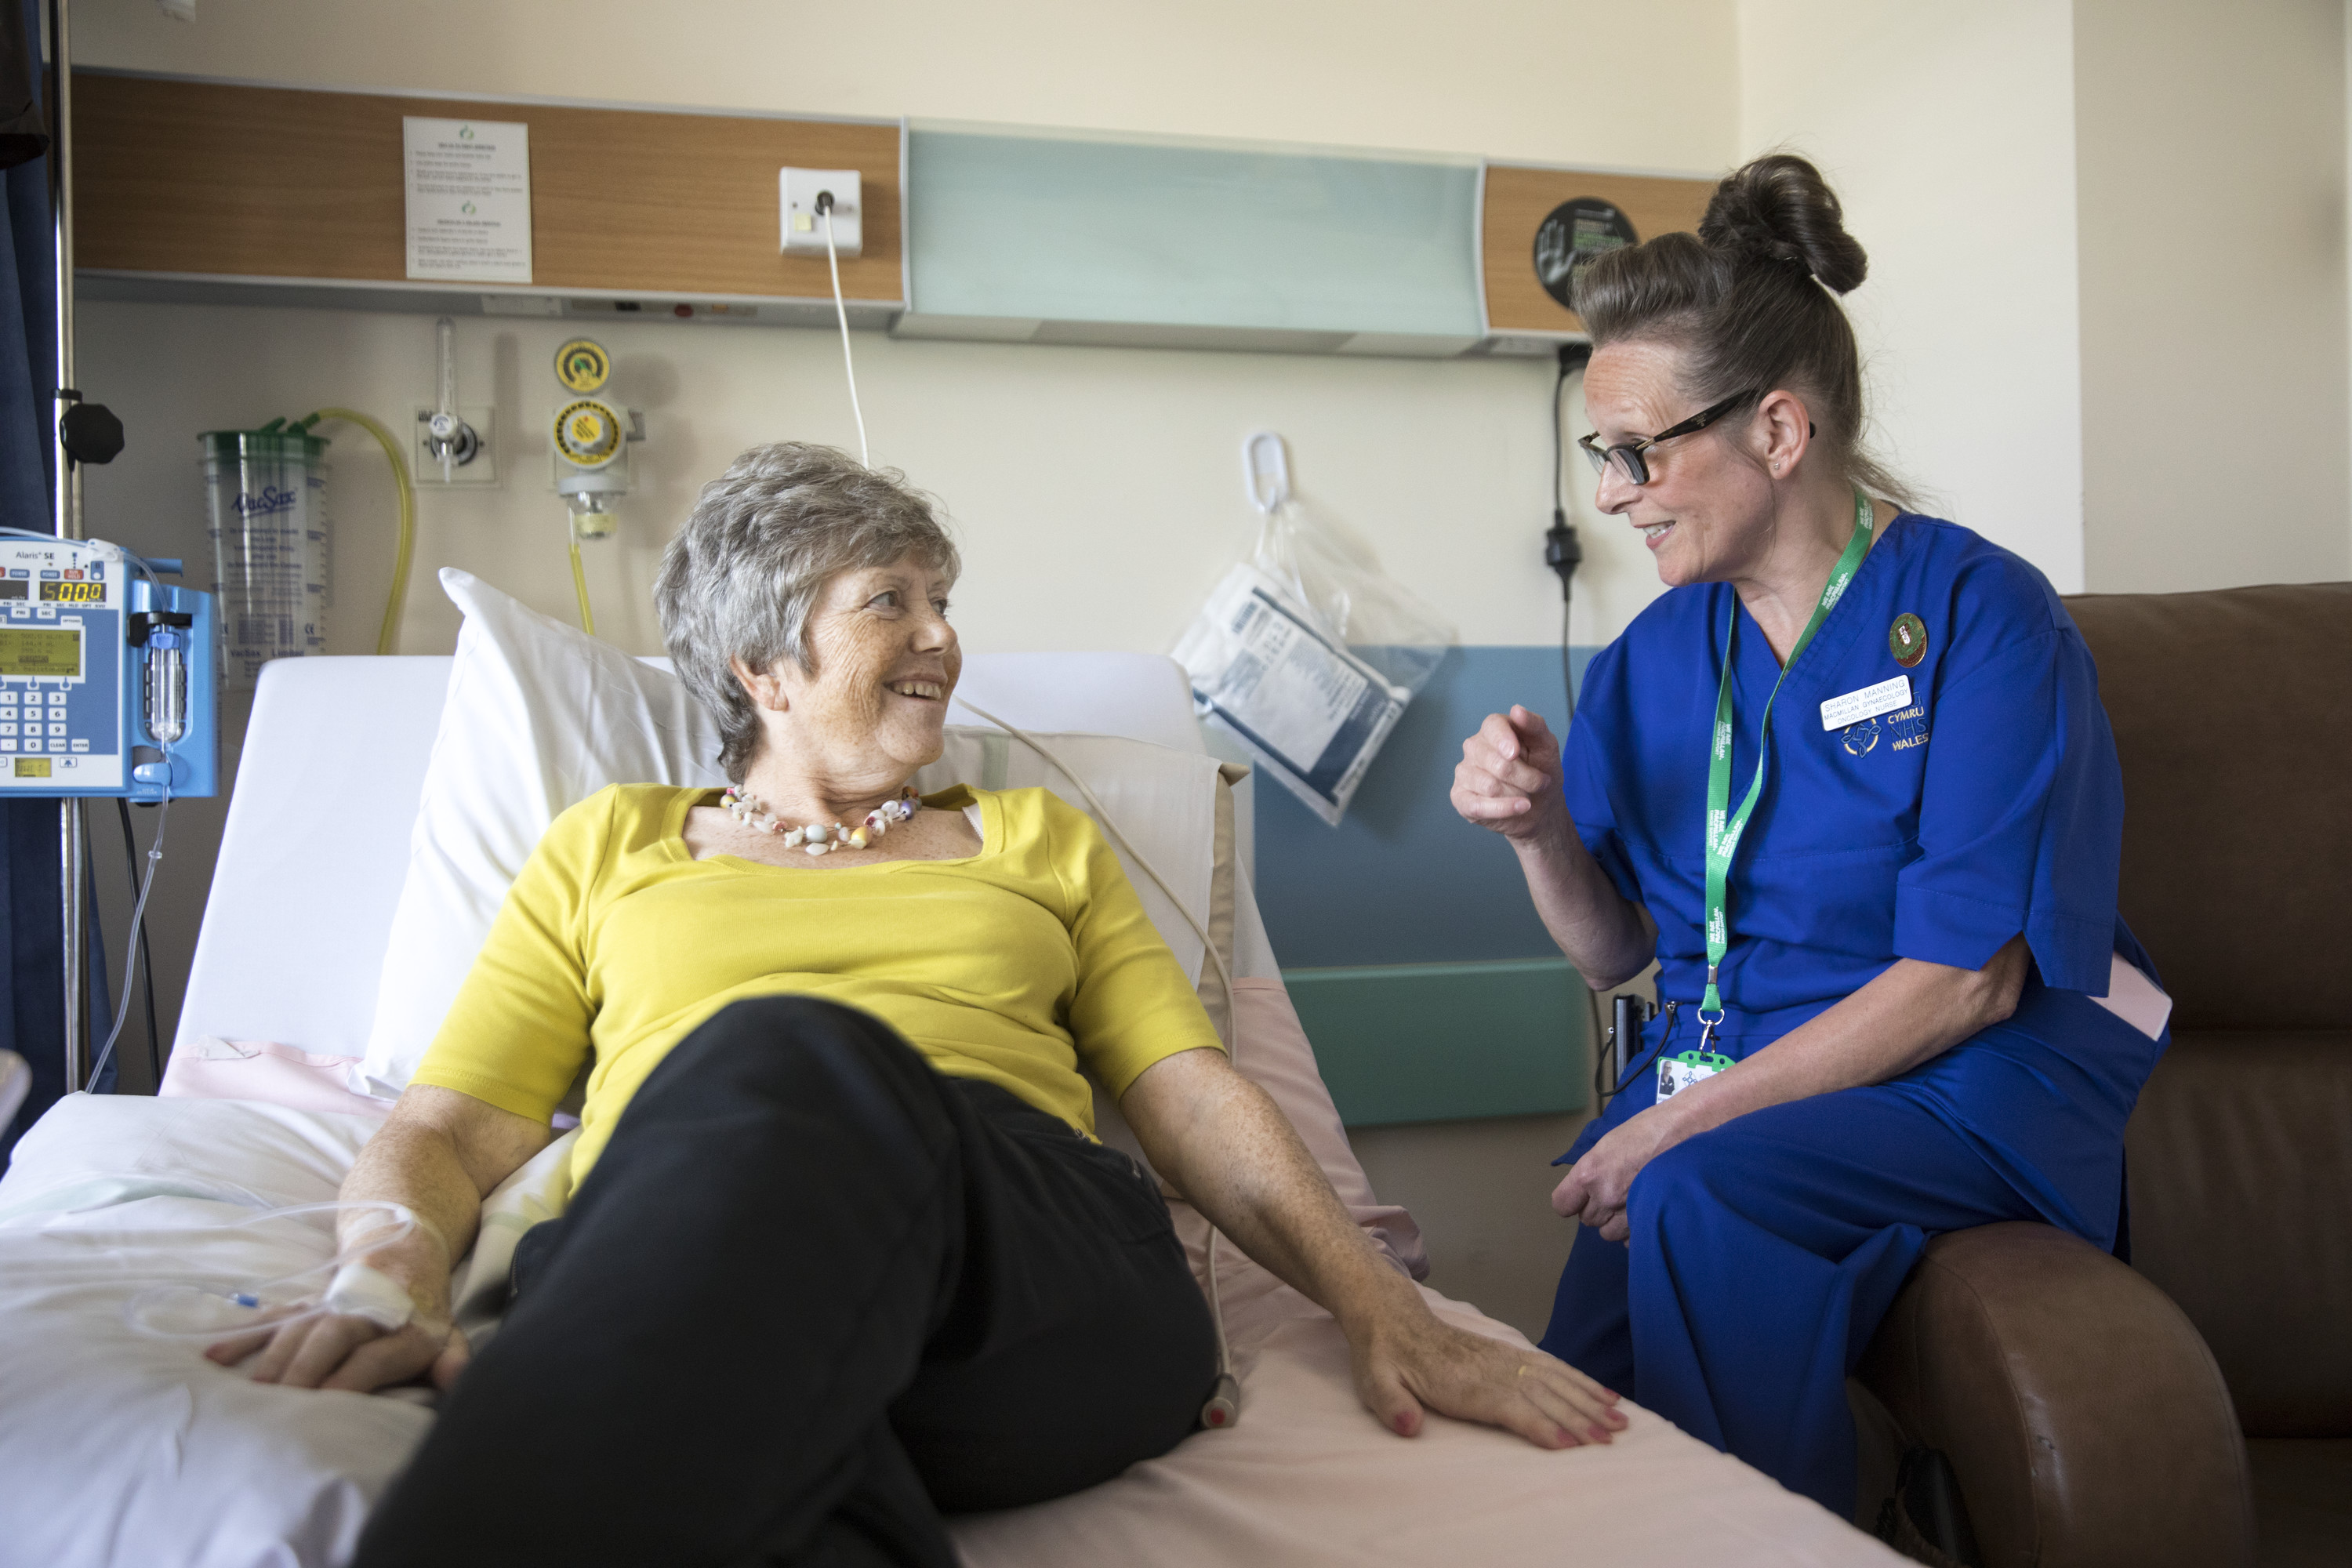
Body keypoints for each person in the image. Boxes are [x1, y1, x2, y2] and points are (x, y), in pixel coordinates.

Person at [207, 443, 1625, 1568]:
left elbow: (1191, 1097)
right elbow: (450, 1131)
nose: (944, 637)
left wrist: (1382, 1299)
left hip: (1034, 1270)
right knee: (791, 1413)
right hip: (705, 1260)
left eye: (943, 600)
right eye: (891, 600)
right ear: (761, 665)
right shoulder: (613, 845)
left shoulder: (1039, 845)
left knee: (792, 1053)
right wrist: (382, 1277)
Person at [1451, 155, 2167, 1520]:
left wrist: (1681, 1126)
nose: (1611, 494)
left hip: (1968, 1078)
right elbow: (1618, 957)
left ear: (1777, 432)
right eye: (1600, 455)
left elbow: (1974, 978)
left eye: (1638, 450)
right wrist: (1539, 832)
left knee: (1702, 1196)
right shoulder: (1652, 662)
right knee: (1563, 1421)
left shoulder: (1982, 618)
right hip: (1744, 1072)